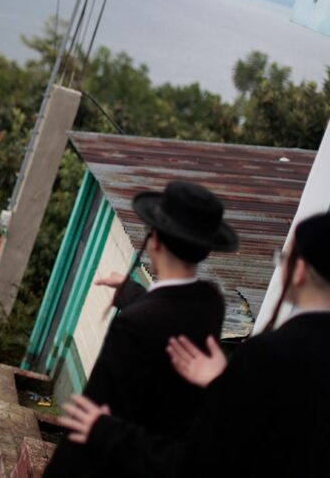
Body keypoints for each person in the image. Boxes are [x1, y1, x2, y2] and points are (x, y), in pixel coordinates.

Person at [56, 212, 330, 478]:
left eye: (283, 258)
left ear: (300, 271)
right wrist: (224, 383)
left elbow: (200, 465)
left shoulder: (268, 354)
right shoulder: (212, 304)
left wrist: (106, 431)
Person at [44, 181, 238, 478]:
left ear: (155, 240)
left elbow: (90, 423)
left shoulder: (133, 326)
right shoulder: (211, 303)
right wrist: (132, 294)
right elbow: (169, 313)